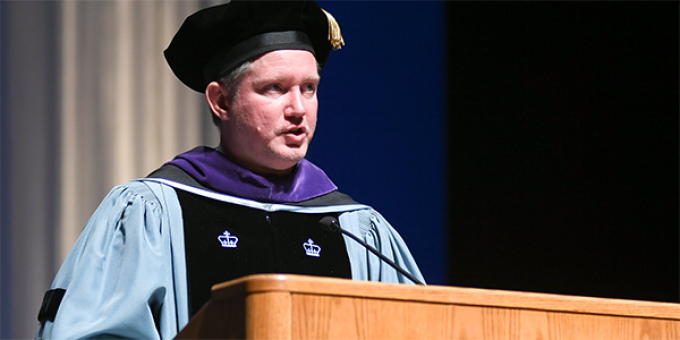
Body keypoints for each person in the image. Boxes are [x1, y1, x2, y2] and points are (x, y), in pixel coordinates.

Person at [36, 1, 424, 339]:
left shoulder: (356, 229)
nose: (298, 109)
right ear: (220, 100)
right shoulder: (153, 214)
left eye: (309, 88)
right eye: (274, 88)